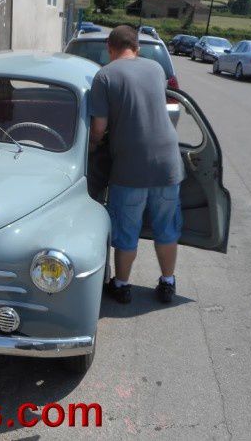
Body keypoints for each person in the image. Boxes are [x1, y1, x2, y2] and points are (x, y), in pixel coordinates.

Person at [88, 25, 184, 304]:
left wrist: (93, 147)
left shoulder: (104, 76)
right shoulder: (156, 68)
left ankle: (122, 285)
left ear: (110, 47)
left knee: (127, 230)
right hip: (168, 164)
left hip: (130, 167)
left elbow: (98, 128)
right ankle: (168, 283)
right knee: (166, 228)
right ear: (137, 47)